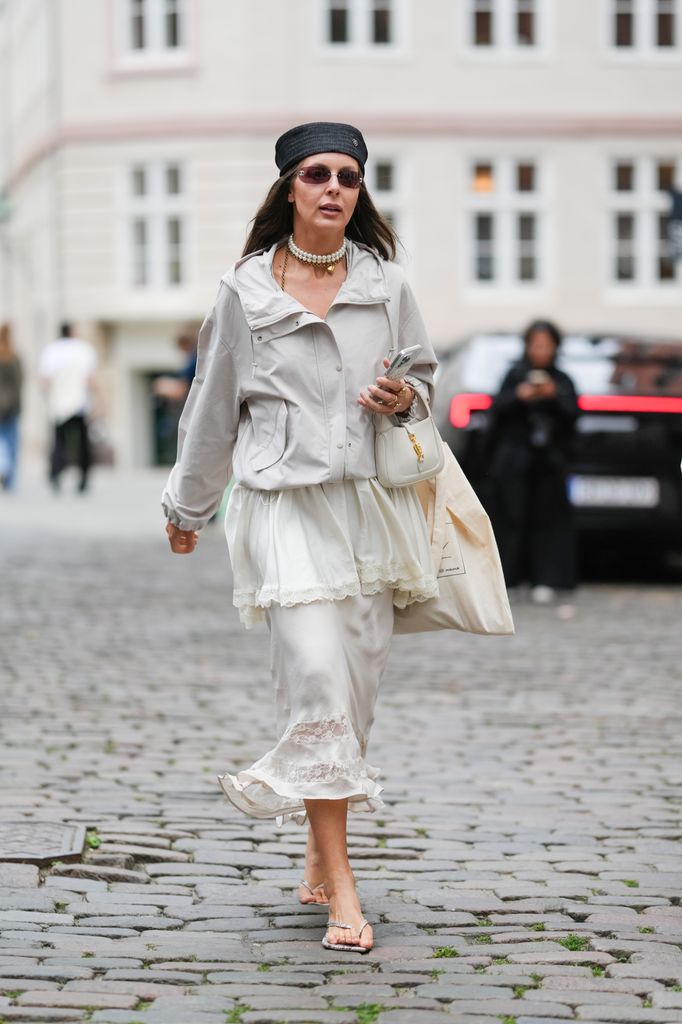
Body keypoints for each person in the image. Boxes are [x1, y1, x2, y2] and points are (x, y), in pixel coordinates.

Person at [162, 121, 439, 954]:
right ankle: (345, 894)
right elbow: (212, 409)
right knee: (318, 678)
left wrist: (404, 398)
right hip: (282, 511)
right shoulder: (245, 292)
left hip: (364, 512)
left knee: (350, 694)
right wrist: (187, 508)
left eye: (347, 177)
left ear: (359, 193)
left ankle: (319, 849)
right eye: (316, 173)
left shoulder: (386, 285)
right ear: (288, 186)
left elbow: (425, 380)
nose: (332, 188)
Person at [488, 319, 580, 603]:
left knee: (548, 521)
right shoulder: (515, 376)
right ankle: (510, 578)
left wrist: (554, 397)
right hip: (515, 461)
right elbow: (497, 411)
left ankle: (547, 578)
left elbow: (573, 416)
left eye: (546, 345)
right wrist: (520, 396)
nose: (540, 350)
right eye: (535, 344)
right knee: (511, 518)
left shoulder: (562, 380)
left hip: (549, 463)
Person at [39, 322, 97, 493]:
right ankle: (83, 478)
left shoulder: (51, 351)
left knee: (59, 442)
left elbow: (44, 380)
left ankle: (56, 474)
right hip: (79, 403)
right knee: (82, 443)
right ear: (72, 332)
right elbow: (90, 379)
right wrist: (98, 401)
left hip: (59, 404)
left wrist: (48, 399)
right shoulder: (84, 350)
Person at [0, 324, 23, 491]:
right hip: (12, 407)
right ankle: (9, 477)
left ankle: (3, 469)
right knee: (12, 443)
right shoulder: (14, 357)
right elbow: (19, 382)